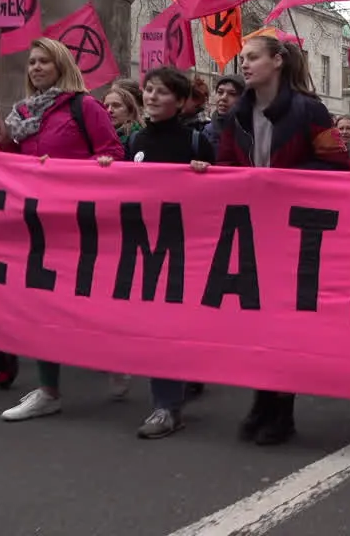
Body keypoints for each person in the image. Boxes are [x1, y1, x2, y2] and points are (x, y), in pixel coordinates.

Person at [217, 34, 349, 446]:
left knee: (283, 319)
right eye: (243, 58)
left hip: (296, 230)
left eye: (253, 57)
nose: (245, 65)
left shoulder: (310, 110)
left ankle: (282, 407)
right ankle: (261, 397)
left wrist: (283, 182)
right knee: (256, 318)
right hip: (253, 228)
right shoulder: (236, 115)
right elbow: (224, 164)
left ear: (277, 61)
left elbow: (337, 163)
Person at [0, 38, 126, 421]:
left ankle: (114, 356)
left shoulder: (85, 107)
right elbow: (12, 167)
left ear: (61, 66)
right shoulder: (20, 113)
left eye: (43, 62)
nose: (35, 68)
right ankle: (48, 390)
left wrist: (71, 171)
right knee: (40, 301)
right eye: (31, 62)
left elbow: (112, 155)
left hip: (81, 220)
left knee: (90, 300)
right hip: (36, 220)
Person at [104, 66, 217, 439]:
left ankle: (166, 407)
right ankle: (177, 385)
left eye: (162, 92)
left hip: (183, 244)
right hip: (142, 244)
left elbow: (225, 191)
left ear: (181, 102)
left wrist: (206, 174)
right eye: (148, 90)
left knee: (166, 325)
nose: (152, 97)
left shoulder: (196, 142)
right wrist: (108, 168)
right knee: (153, 323)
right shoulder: (135, 141)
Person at [202, 74, 244, 153]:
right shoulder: (208, 131)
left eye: (232, 94)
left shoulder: (250, 131)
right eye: (220, 92)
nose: (223, 98)